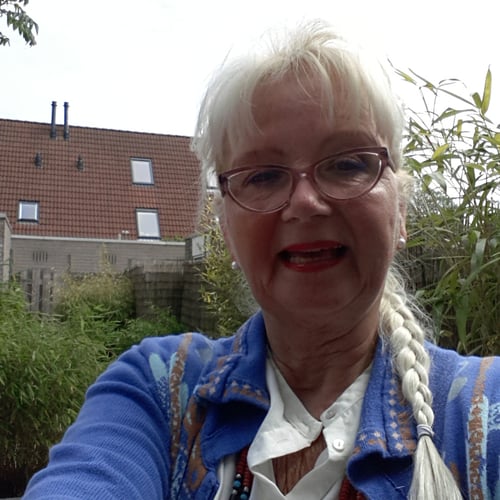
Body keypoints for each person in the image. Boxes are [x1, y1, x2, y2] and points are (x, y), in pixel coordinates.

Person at [23, 20, 500, 500]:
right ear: (226, 230)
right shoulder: (156, 392)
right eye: (264, 176)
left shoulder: (485, 416)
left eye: (347, 164)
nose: (306, 203)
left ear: (400, 212)